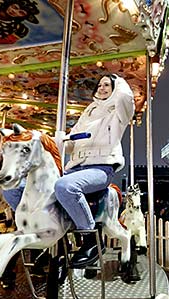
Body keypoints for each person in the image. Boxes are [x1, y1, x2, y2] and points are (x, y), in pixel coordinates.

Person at [55, 74, 134, 268]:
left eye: (107, 84)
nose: (102, 88)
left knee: (66, 186)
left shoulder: (118, 110)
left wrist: (119, 80)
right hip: (76, 167)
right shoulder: (88, 111)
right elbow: (73, 142)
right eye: (100, 85)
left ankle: (90, 238)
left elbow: (126, 98)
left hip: (101, 167)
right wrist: (62, 141)